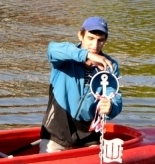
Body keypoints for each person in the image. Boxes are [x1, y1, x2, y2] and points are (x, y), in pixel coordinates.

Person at [39, 16, 122, 153]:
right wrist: (86, 55)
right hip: (57, 130)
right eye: (90, 38)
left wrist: (111, 107)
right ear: (80, 35)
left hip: (89, 135)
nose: (95, 45)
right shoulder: (65, 57)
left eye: (100, 40)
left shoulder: (110, 66)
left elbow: (115, 96)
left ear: (105, 41)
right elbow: (51, 49)